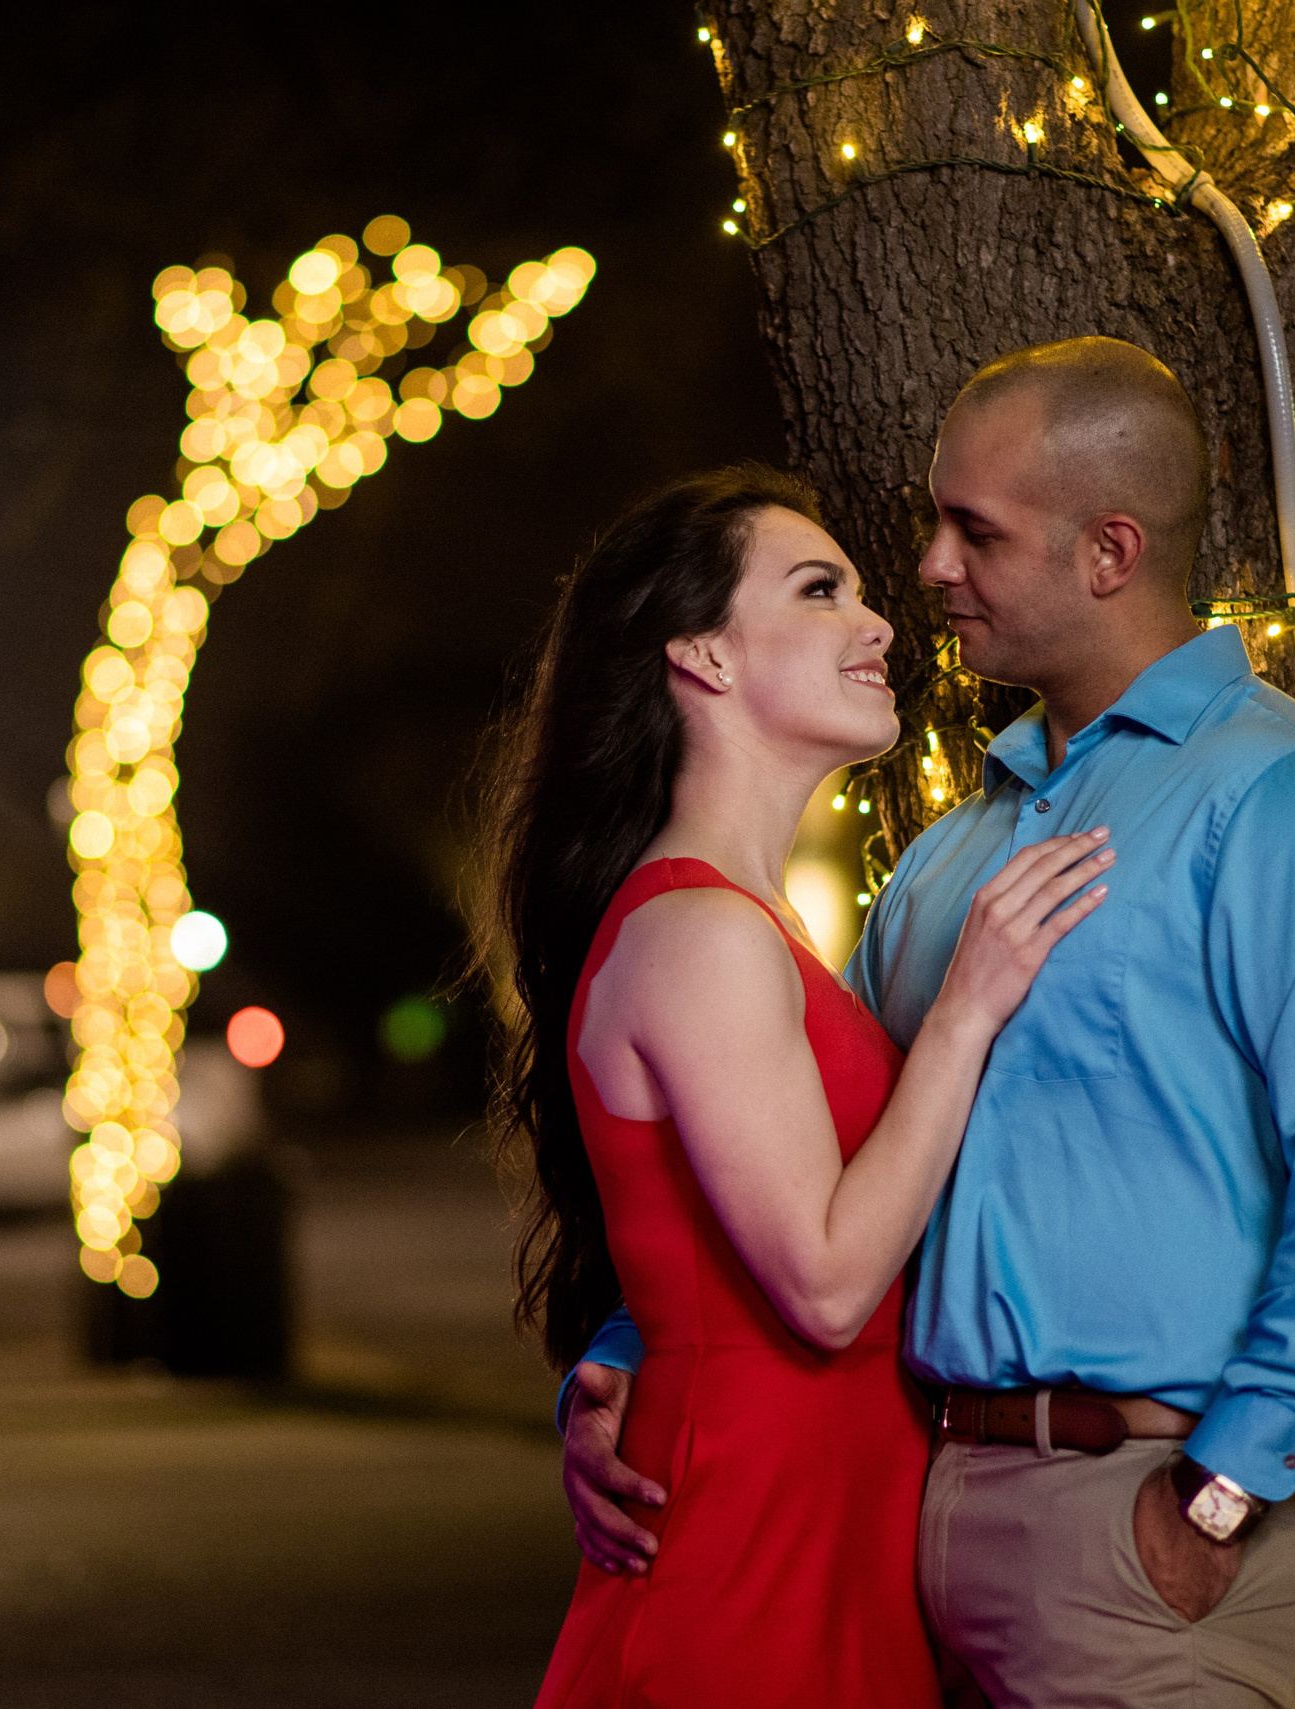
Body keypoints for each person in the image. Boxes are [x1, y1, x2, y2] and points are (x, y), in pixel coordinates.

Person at [560, 339, 1295, 1709]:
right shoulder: (946, 865)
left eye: (971, 532)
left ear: (1109, 550)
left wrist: (1215, 1501)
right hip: (909, 1518)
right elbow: (812, 1173)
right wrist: (631, 1362)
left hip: (1146, 1532)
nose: (929, 569)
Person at [479, 464, 1113, 1709]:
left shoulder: (744, 925)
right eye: (820, 590)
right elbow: (822, 1285)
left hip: (826, 1520)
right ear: (702, 657)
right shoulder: (697, 930)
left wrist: (608, 1359)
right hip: (749, 1544)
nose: (878, 623)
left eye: (863, 593)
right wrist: (965, 1010)